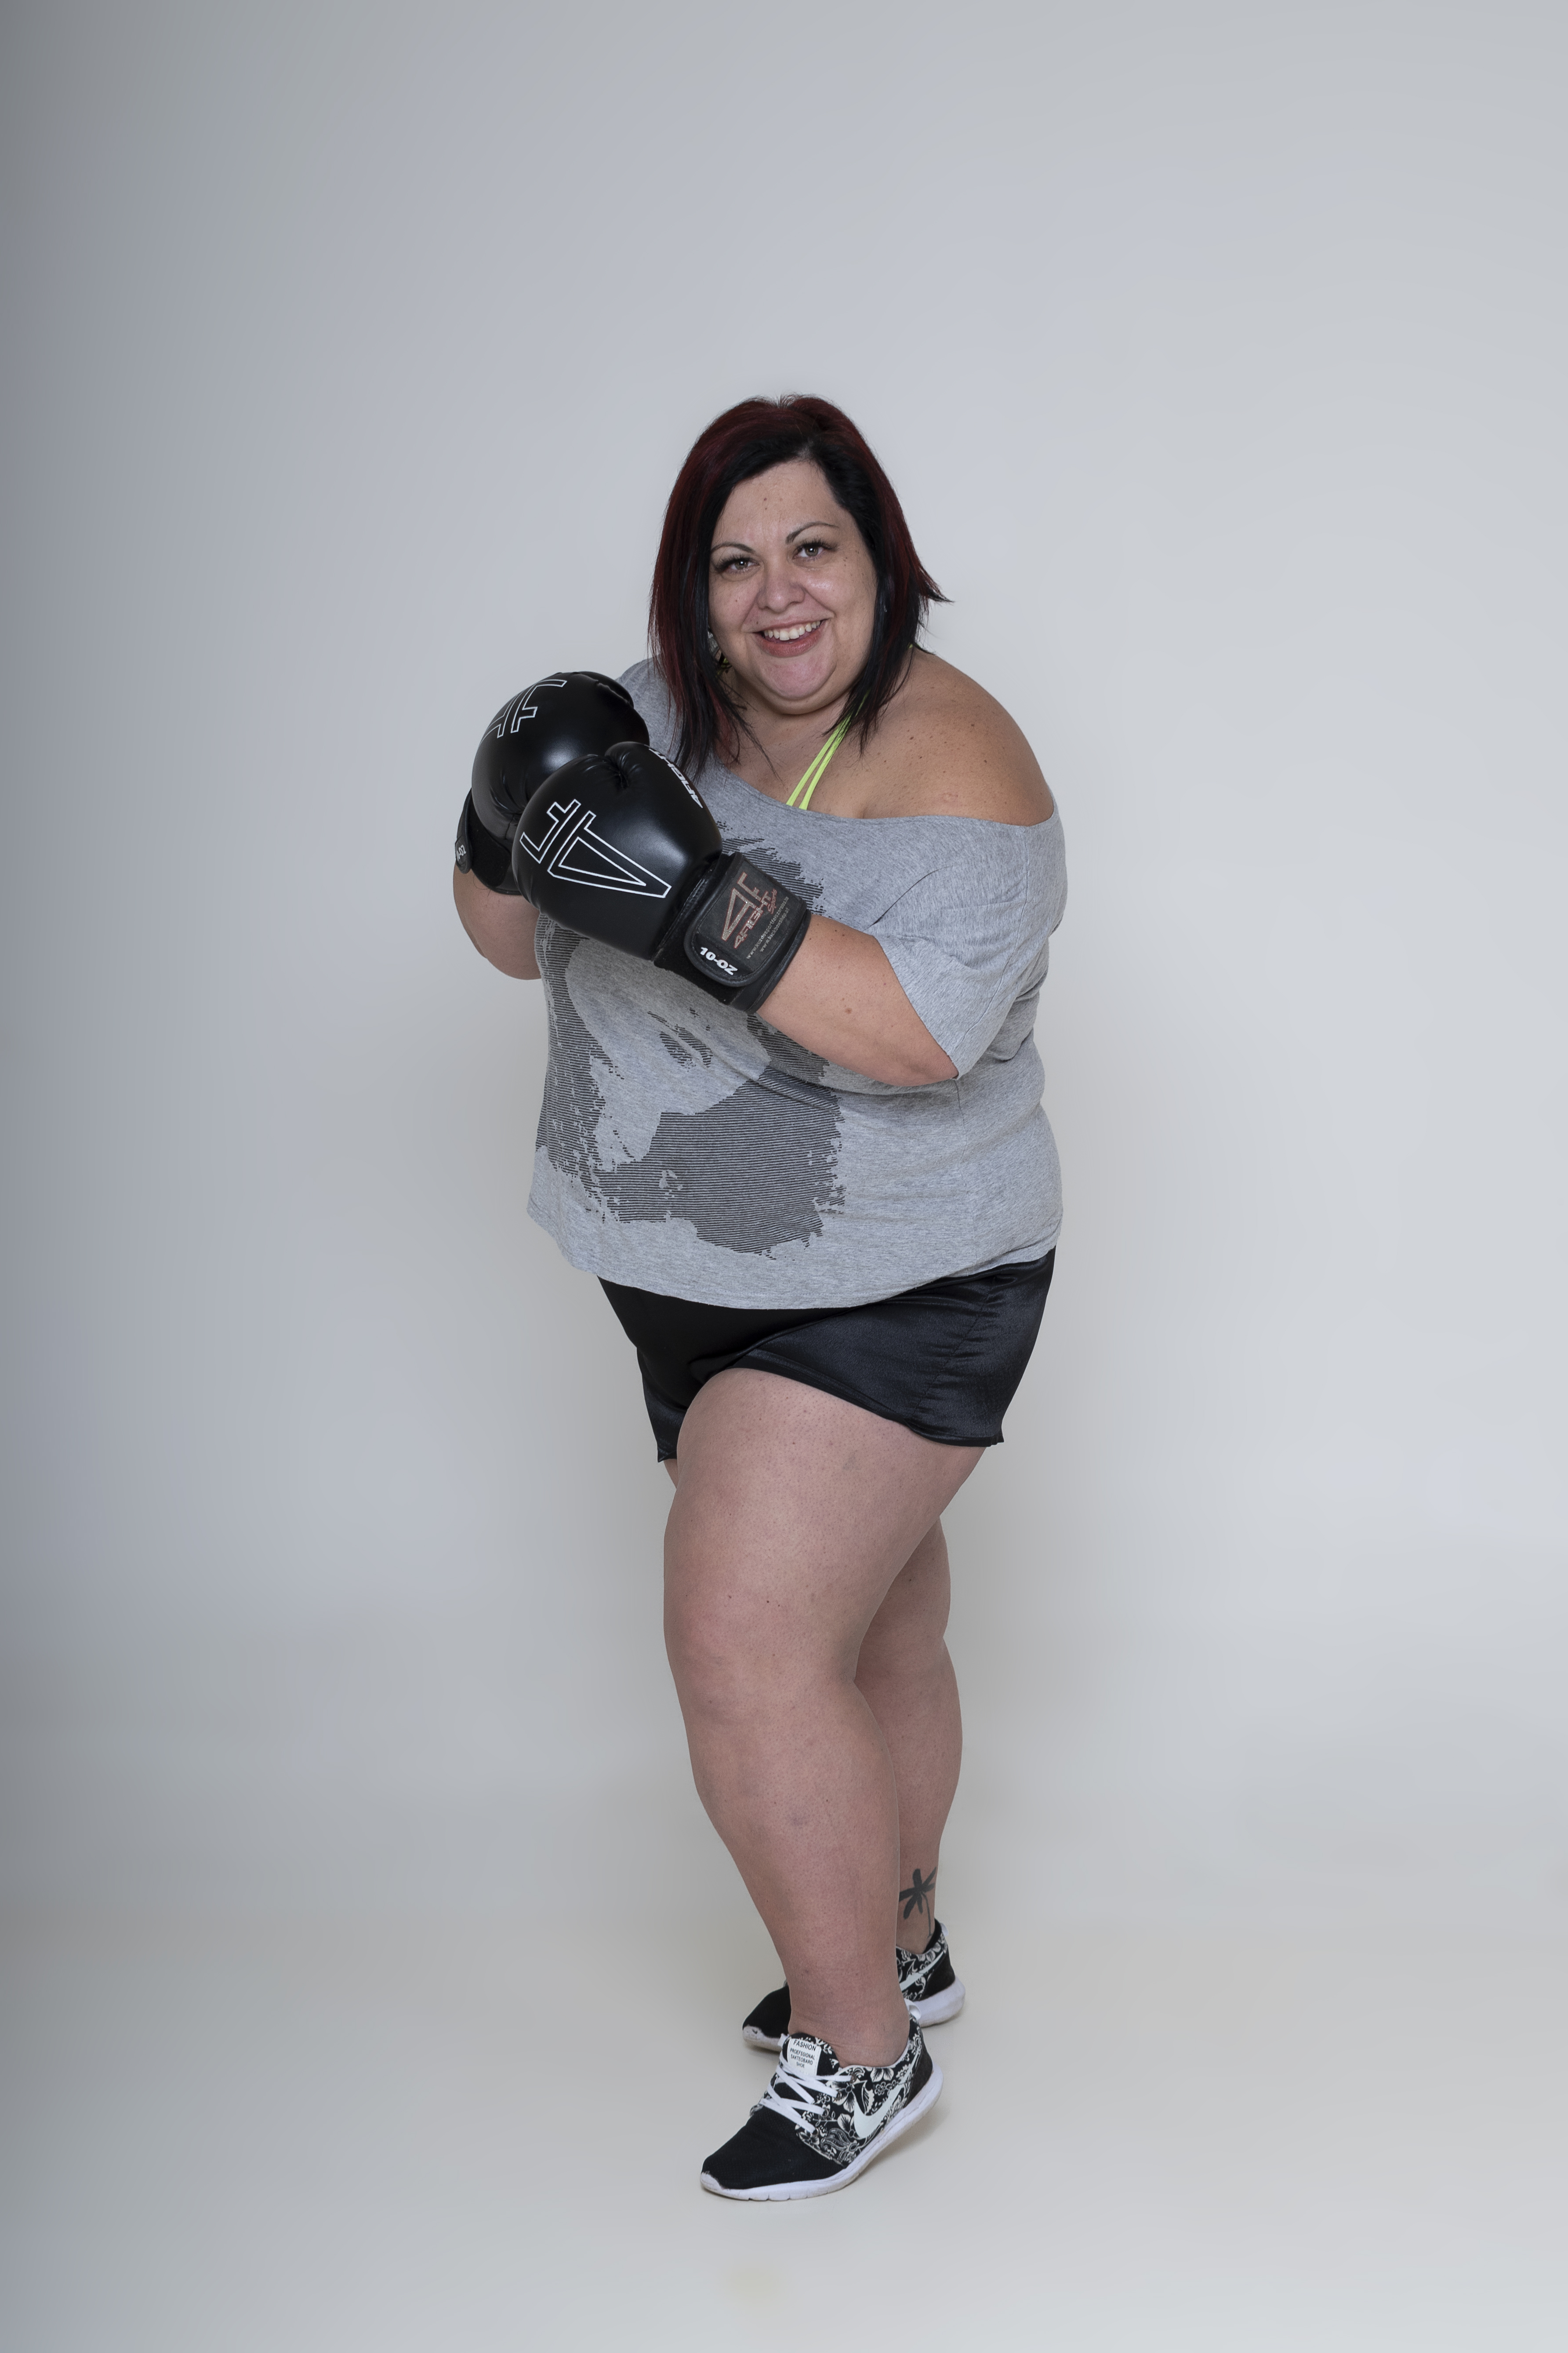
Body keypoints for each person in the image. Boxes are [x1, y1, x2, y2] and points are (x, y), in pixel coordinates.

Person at [452, 395, 1066, 2201]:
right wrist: (499, 824)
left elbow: (921, 1033)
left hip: (898, 1279)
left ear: (880, 560)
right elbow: (506, 940)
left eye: (813, 547)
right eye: (734, 562)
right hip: (683, 1277)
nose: (777, 594)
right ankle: (904, 1939)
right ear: (691, 586)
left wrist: (704, 898)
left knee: (743, 1643)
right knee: (872, 1637)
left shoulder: (962, 765)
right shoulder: (650, 713)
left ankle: (861, 2049)